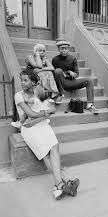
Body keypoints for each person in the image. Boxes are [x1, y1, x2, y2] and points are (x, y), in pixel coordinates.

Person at [14, 69, 80, 200]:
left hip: (42, 125)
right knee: (45, 154)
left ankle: (60, 184)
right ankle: (63, 182)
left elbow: (52, 109)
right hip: (30, 129)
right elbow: (30, 114)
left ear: (33, 82)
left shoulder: (39, 92)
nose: (22, 82)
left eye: (25, 80)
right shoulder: (19, 95)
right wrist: (45, 113)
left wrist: (44, 113)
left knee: (54, 147)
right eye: (21, 80)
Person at [52, 39, 98, 113]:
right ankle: (60, 95)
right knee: (57, 71)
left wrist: (68, 74)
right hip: (62, 83)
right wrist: (67, 72)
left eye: (66, 48)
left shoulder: (73, 59)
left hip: (72, 82)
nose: (64, 50)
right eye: (62, 48)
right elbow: (55, 74)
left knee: (89, 80)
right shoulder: (55, 59)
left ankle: (90, 105)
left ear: (68, 49)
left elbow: (76, 74)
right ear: (58, 49)